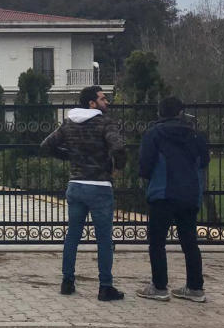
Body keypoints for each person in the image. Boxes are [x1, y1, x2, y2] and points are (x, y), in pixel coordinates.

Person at [40, 85, 126, 301]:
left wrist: (69, 157)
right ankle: (105, 287)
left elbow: (46, 145)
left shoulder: (69, 123)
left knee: (73, 235)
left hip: (76, 185)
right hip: (99, 187)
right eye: (103, 99)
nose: (107, 102)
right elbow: (118, 148)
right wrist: (117, 168)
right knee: (104, 239)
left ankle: (67, 282)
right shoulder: (105, 122)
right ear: (92, 103)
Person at [136, 97, 210, 302]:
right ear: (181, 113)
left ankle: (159, 286)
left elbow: (144, 166)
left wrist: (147, 184)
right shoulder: (196, 136)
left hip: (162, 193)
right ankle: (195, 287)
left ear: (160, 113)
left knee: (157, 242)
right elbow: (204, 162)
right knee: (190, 242)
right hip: (189, 194)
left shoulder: (154, 134)